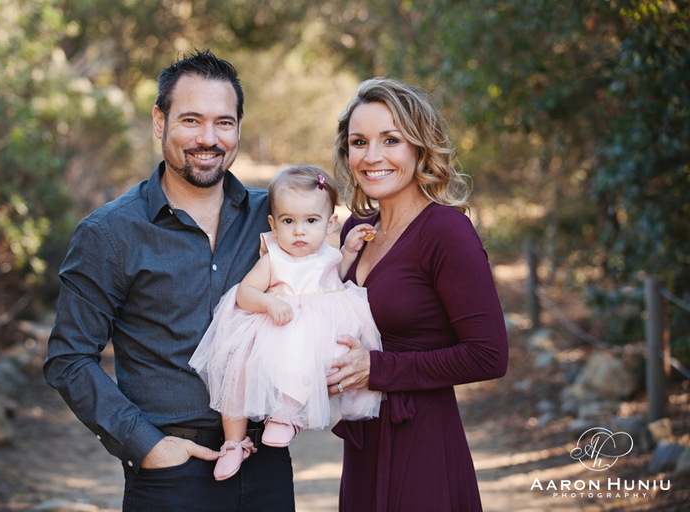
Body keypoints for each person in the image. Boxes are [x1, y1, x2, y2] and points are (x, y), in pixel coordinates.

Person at [43, 49, 296, 512]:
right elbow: (69, 358)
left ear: (239, 126)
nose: (208, 138)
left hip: (266, 461)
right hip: (170, 475)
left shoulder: (274, 217)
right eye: (191, 120)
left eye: (223, 122)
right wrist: (148, 446)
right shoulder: (110, 233)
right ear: (160, 122)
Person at [326, 77, 509, 512]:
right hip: (363, 439)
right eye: (359, 141)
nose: (372, 157)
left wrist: (379, 369)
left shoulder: (446, 232)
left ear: (420, 148)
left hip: (422, 443)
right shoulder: (356, 230)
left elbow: (489, 355)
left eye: (391, 140)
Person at [189, 165, 383, 481]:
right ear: (273, 224)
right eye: (288, 221)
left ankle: (288, 414)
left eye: (311, 221)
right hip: (275, 327)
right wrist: (268, 301)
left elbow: (338, 278)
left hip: (315, 334)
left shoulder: (328, 255)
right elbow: (245, 293)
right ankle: (234, 442)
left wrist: (348, 251)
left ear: (330, 223)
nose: (299, 231)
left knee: (315, 361)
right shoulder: (274, 257)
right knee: (237, 370)